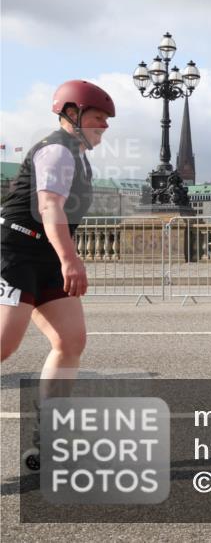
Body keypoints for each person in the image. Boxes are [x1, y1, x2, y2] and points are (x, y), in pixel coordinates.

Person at [0, 80, 115, 467]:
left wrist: (63, 256)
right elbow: (49, 207)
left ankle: (48, 436)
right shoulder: (56, 151)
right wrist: (71, 259)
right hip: (14, 252)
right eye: (99, 117)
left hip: (44, 256)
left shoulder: (80, 156)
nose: (105, 125)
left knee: (71, 341)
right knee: (3, 345)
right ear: (72, 114)